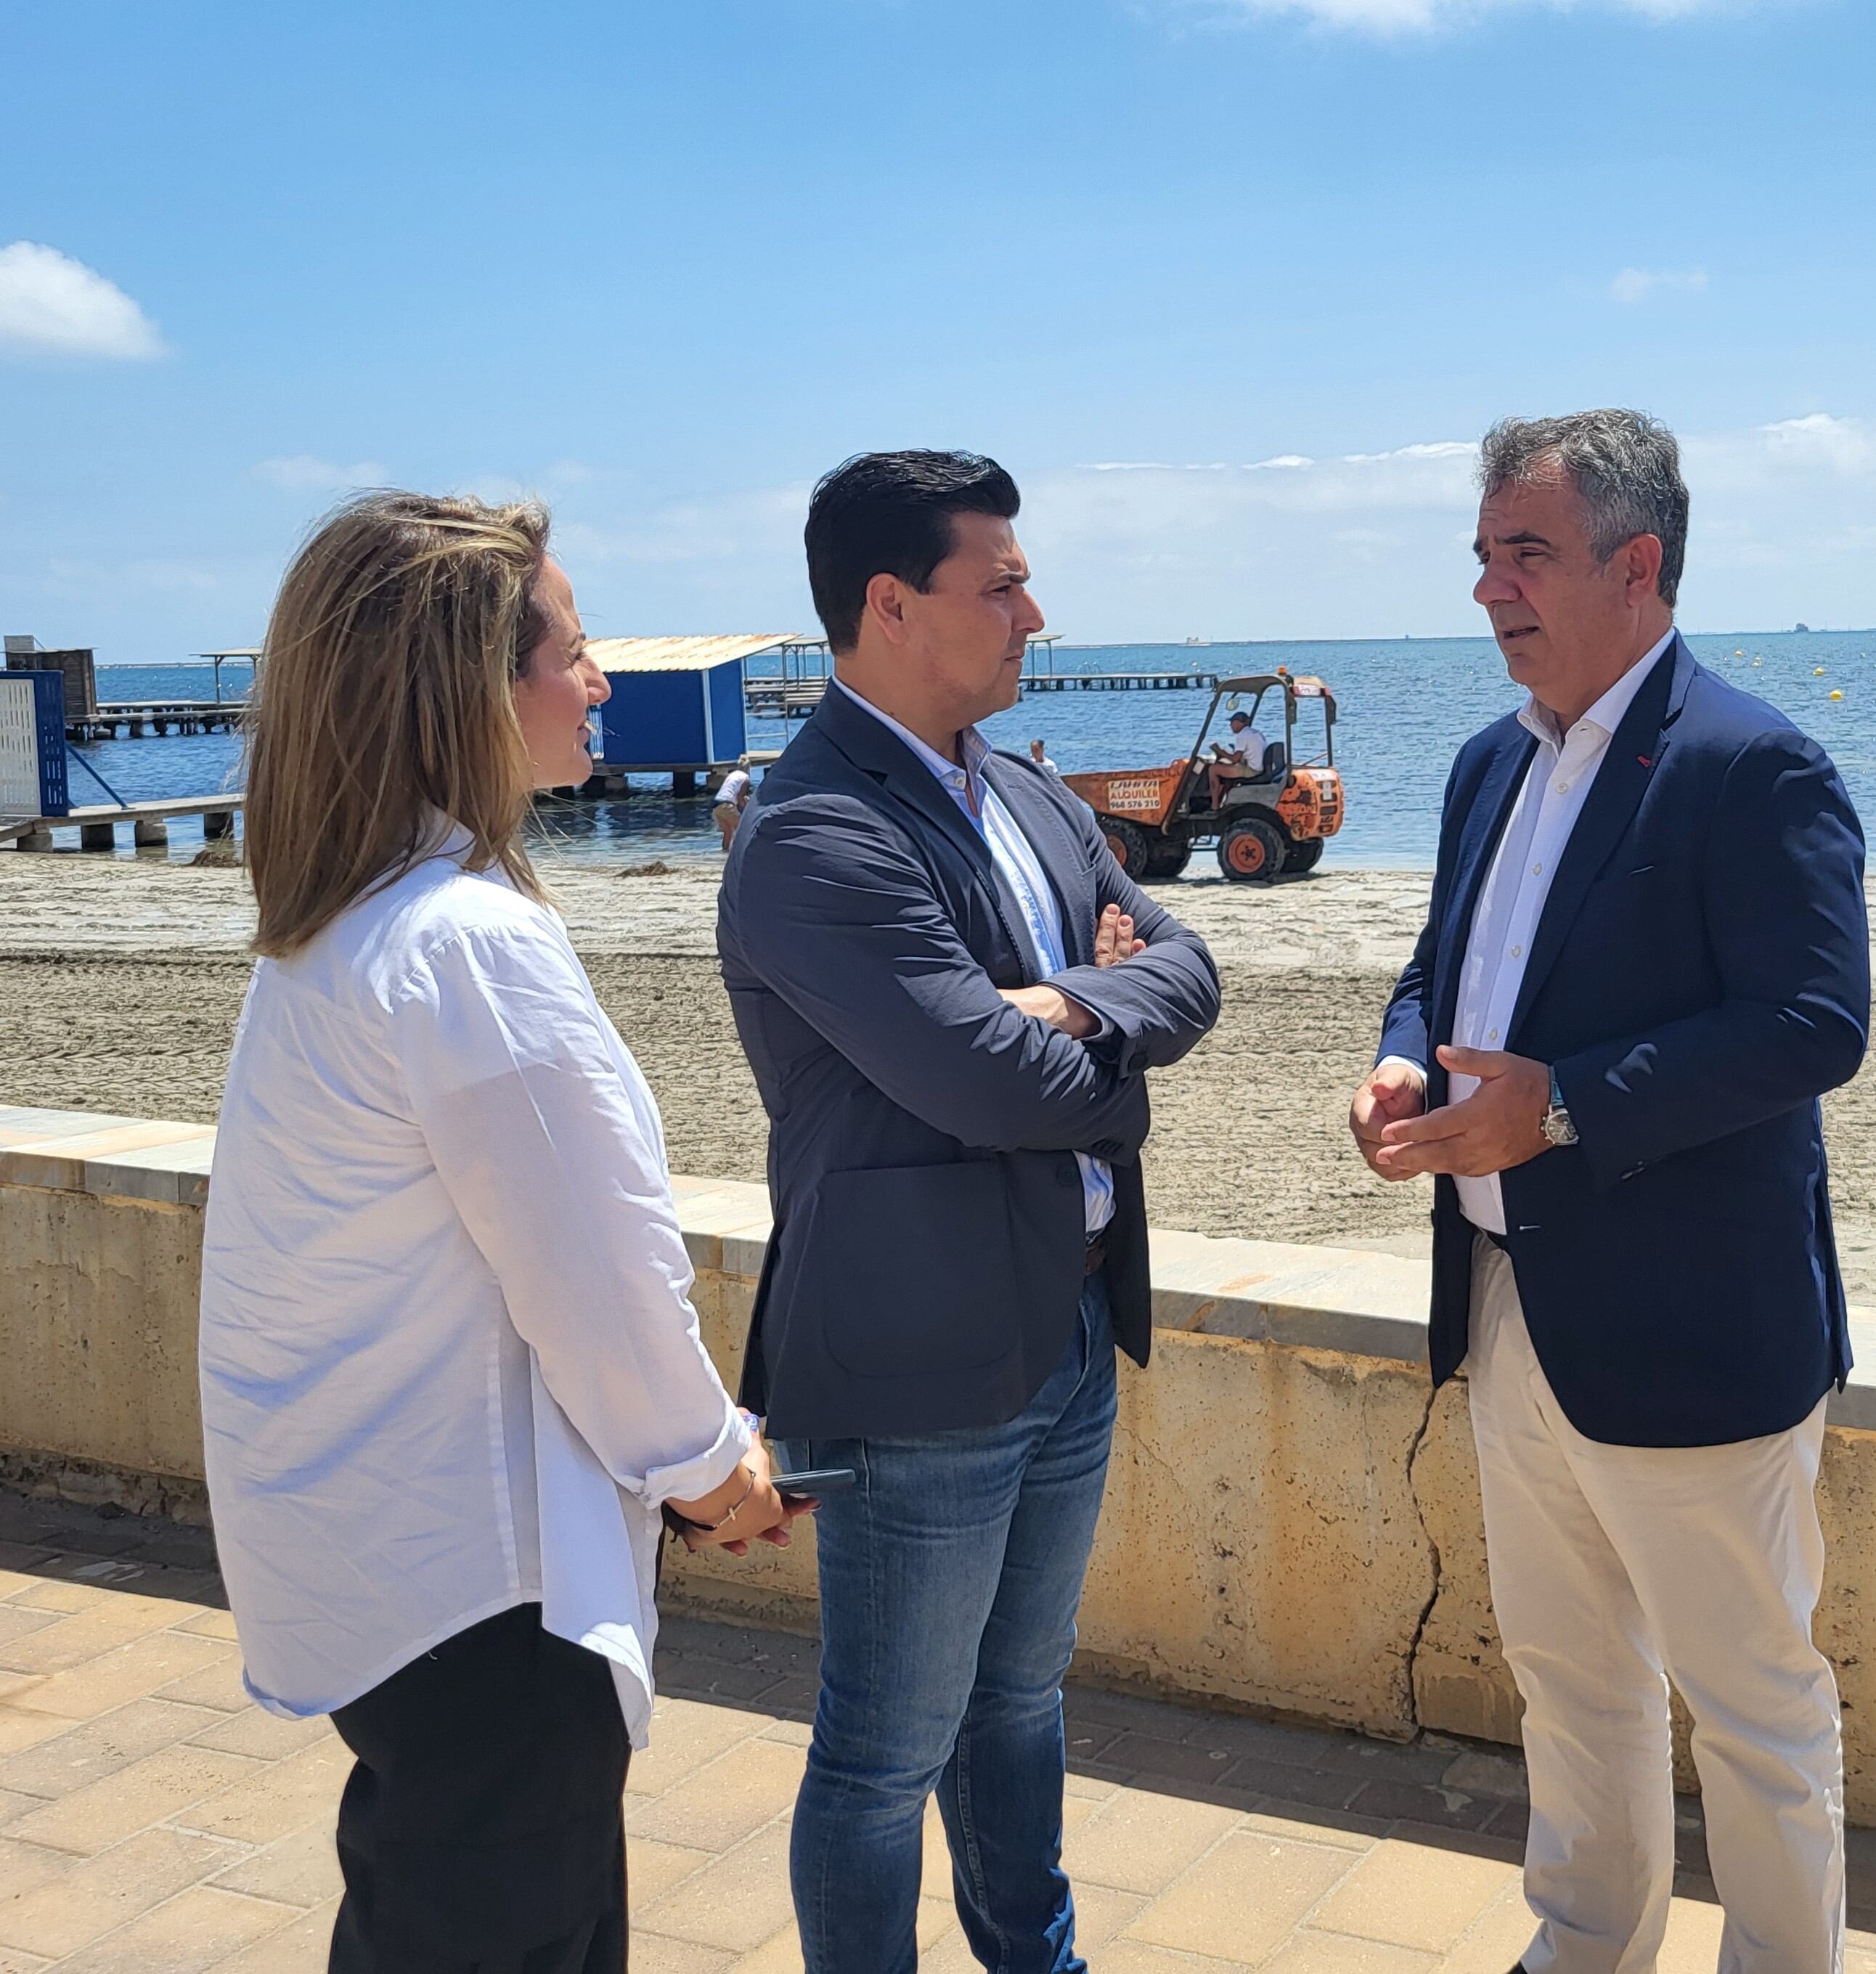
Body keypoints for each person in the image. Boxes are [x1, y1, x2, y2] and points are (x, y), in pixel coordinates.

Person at [198, 492, 799, 1974]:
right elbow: (595, 1276)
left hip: (378, 1577)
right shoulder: (465, 943)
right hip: (483, 1592)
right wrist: (709, 1462)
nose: (598, 683)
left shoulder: (337, 926)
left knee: (423, 1903)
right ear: (472, 684)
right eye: (575, 651)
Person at [1349, 409, 1869, 1973]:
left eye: (1528, 553)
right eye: (1484, 555)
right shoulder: (1482, 762)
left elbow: (1810, 1023)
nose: (1490, 589)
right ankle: (1585, 1949)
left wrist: (1560, 1107)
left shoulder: (1749, 763)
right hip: (1515, 1310)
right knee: (1568, 1681)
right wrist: (1396, 1065)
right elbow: (1438, 974)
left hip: (1694, 1331)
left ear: (1636, 566)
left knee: (1755, 1709)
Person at [718, 449, 1220, 1973]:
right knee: (883, 1752)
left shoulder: (1029, 794)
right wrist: (1101, 1043)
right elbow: (991, 1084)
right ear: (888, 603)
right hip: (917, 1362)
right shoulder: (813, 832)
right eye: (997, 584)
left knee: (1019, 1703)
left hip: (1064, 1321)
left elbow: (1190, 967)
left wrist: (1064, 1001)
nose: (1033, 611)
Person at [1205, 706, 1265, 796]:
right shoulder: (1256, 733)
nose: (1230, 725)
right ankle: (1224, 796)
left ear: (1238, 722)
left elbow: (1235, 759)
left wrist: (1218, 750)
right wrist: (1223, 754)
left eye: (1231, 722)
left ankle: (1214, 805)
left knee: (1213, 769)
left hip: (1252, 770)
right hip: (1258, 767)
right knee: (1224, 763)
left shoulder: (1243, 735)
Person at [711, 762, 754, 847]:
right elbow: (740, 798)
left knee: (728, 832)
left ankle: (724, 854)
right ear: (748, 768)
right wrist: (749, 810)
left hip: (716, 806)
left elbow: (731, 792)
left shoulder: (733, 774)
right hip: (727, 806)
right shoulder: (746, 778)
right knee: (741, 831)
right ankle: (742, 854)